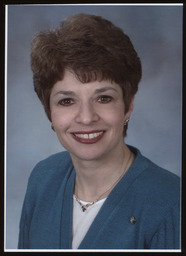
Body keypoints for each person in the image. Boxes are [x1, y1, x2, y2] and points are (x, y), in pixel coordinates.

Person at [18, 14, 180, 249]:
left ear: (128, 105)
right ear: (48, 111)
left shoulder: (170, 203)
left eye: (104, 98)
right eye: (66, 101)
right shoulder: (43, 179)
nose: (86, 117)